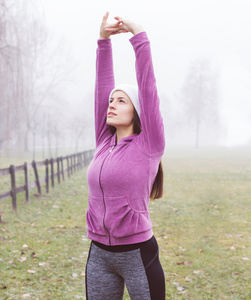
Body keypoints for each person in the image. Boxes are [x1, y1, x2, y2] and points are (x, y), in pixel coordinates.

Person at [85, 12, 166, 300]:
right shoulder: (103, 142)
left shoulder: (149, 145)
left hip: (137, 255)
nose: (112, 104)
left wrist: (139, 37)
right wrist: (103, 41)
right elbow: (100, 89)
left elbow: (148, 88)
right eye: (111, 100)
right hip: (99, 255)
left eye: (122, 101)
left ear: (137, 111)